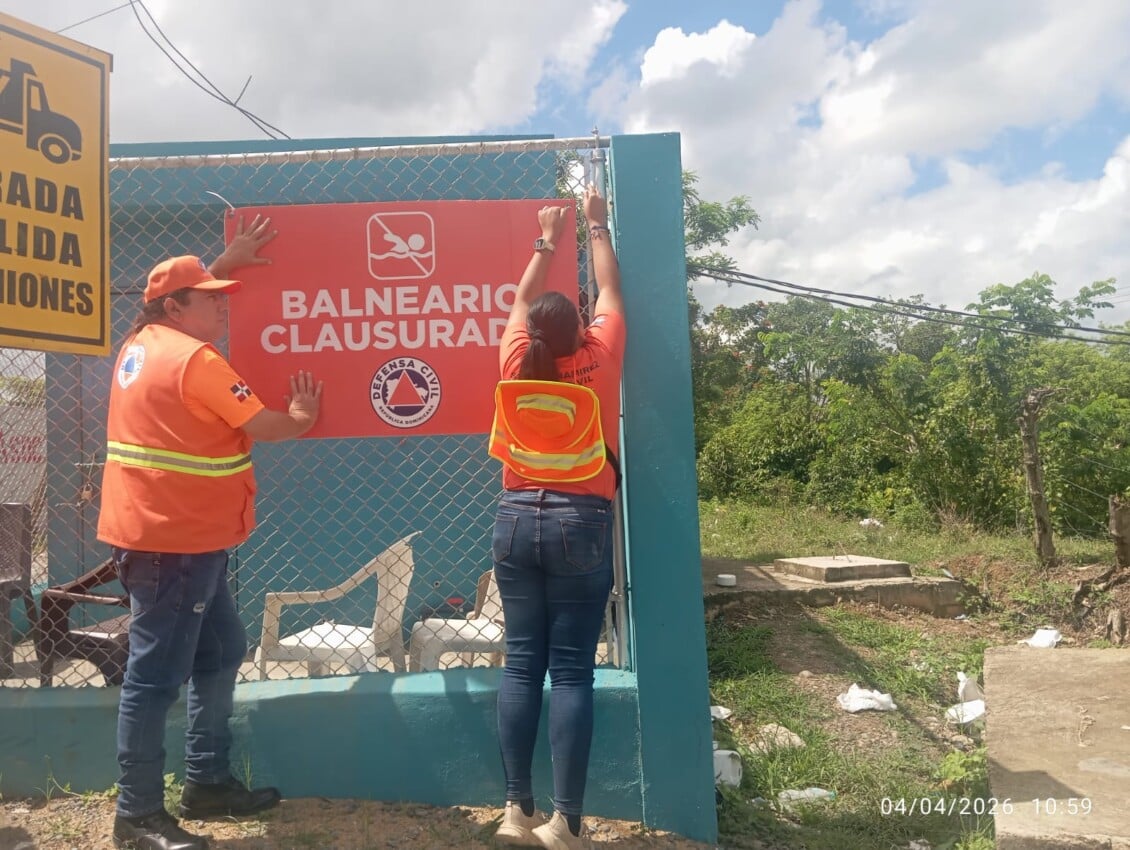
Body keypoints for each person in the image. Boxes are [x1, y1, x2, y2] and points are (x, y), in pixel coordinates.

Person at [98, 216, 324, 850]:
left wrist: (227, 260)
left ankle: (207, 782)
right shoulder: (197, 360)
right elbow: (269, 425)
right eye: (212, 298)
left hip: (176, 536)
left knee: (222, 649)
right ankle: (137, 815)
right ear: (177, 307)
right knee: (155, 678)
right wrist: (304, 415)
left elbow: (170, 301)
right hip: (176, 542)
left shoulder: (141, 343)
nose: (224, 307)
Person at [487, 186, 624, 850]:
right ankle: (564, 823)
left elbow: (517, 300)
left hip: (515, 518)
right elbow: (611, 296)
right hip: (582, 521)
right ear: (581, 332)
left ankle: (515, 810)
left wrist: (547, 236)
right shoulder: (598, 357)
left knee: (520, 665)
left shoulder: (516, 359)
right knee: (570, 671)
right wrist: (595, 226)